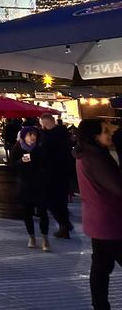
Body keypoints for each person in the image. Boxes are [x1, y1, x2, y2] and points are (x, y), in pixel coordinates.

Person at [73, 119, 122, 310]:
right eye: (105, 131)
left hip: (98, 218)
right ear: (94, 136)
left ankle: (100, 305)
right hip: (109, 220)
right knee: (101, 266)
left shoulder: (88, 154)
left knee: (101, 266)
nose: (109, 134)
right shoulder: (95, 158)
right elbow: (118, 187)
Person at [10, 126, 50, 251]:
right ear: (23, 136)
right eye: (29, 134)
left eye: (34, 135)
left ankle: (45, 238)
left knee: (43, 212)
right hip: (25, 185)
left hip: (40, 185)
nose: (32, 137)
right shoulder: (17, 149)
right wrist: (21, 161)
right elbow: (13, 166)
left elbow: (46, 164)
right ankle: (31, 236)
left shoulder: (39, 149)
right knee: (27, 213)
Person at [39, 113, 74, 238]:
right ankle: (65, 224)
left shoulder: (49, 137)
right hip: (64, 172)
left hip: (52, 173)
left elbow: (45, 153)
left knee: (51, 201)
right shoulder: (64, 134)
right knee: (61, 200)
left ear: (45, 123)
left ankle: (64, 225)